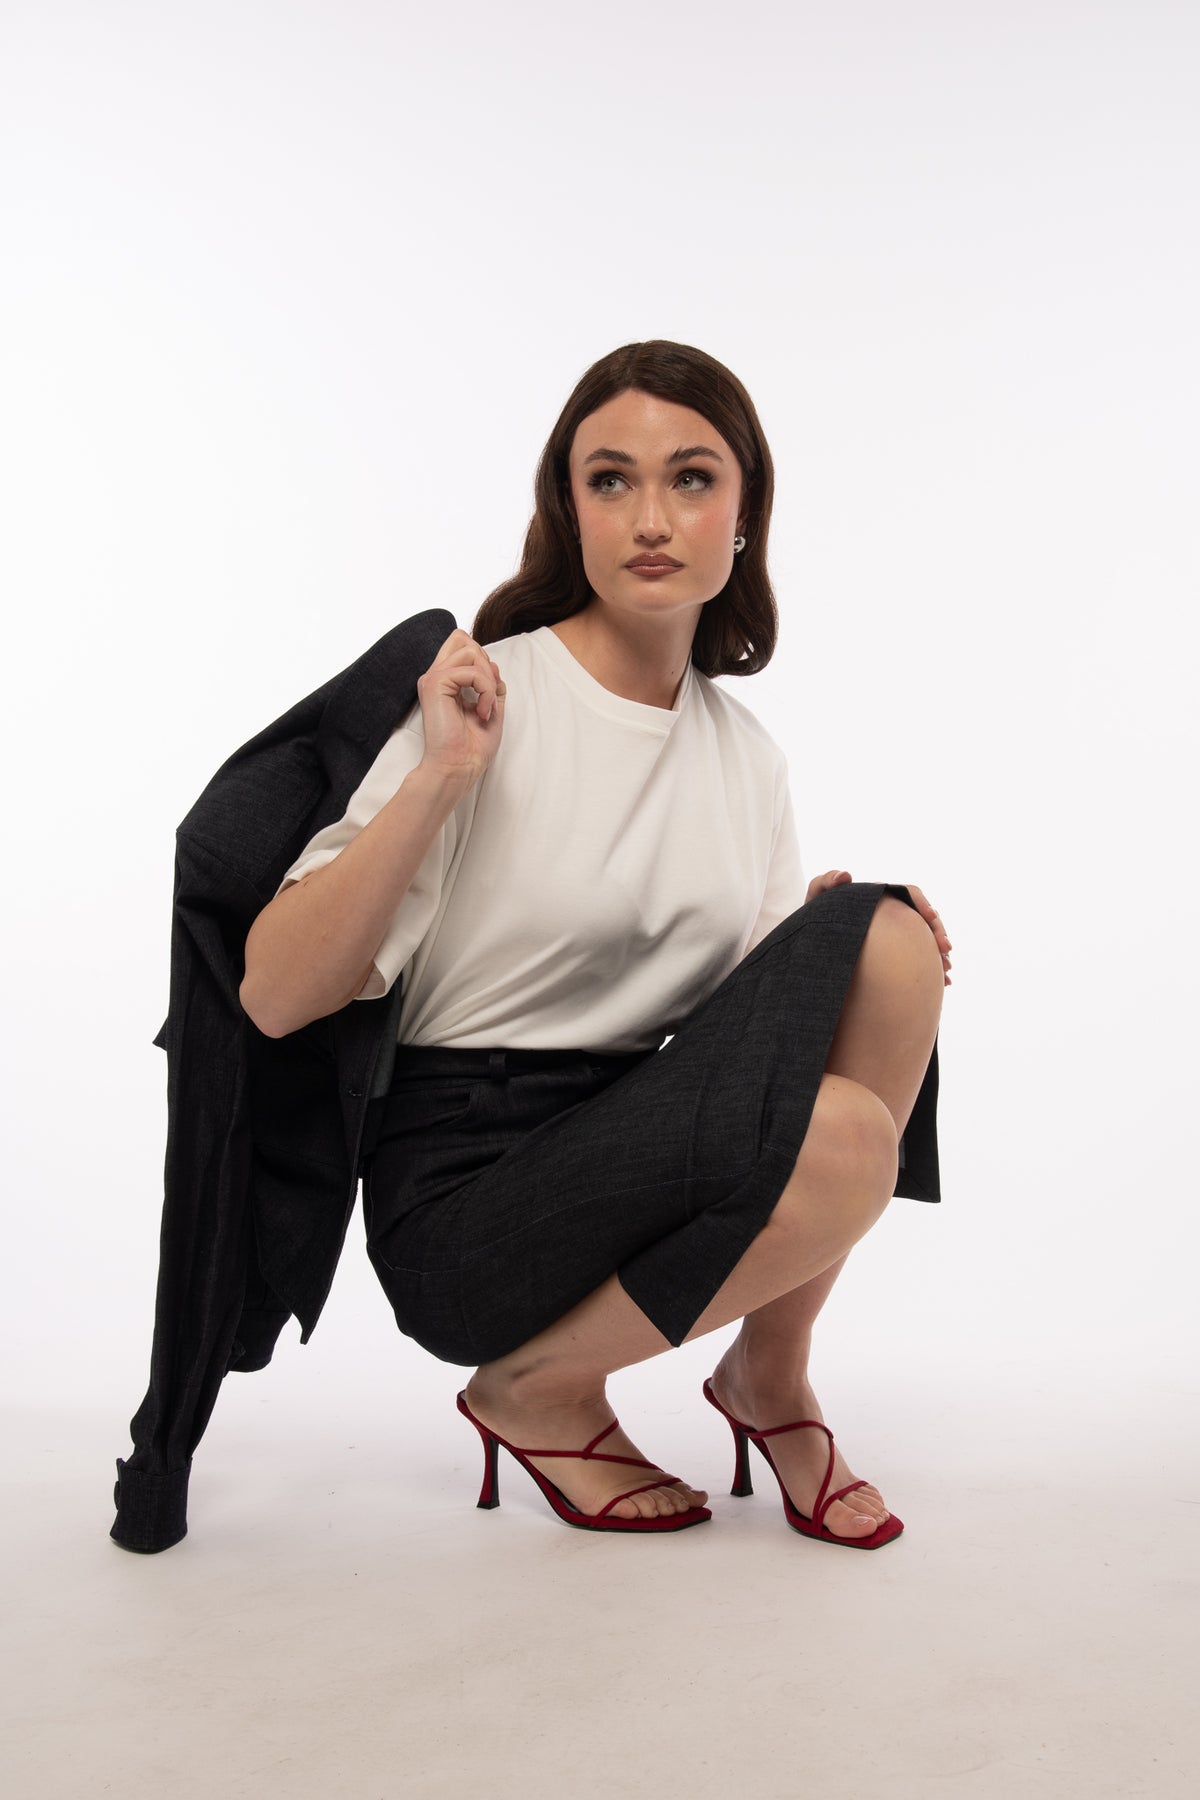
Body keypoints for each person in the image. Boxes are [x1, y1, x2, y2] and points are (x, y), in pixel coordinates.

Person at [239, 340, 949, 1545]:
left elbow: (732, 1047)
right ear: (569, 512)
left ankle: (770, 1374)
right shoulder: (481, 699)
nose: (651, 518)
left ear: (745, 514)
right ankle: (535, 1388)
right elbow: (272, 995)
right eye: (611, 480)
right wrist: (443, 777)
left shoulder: (746, 758)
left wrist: (824, 942)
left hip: (629, 1140)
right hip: (468, 1199)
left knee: (889, 941)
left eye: (692, 478)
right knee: (842, 1130)